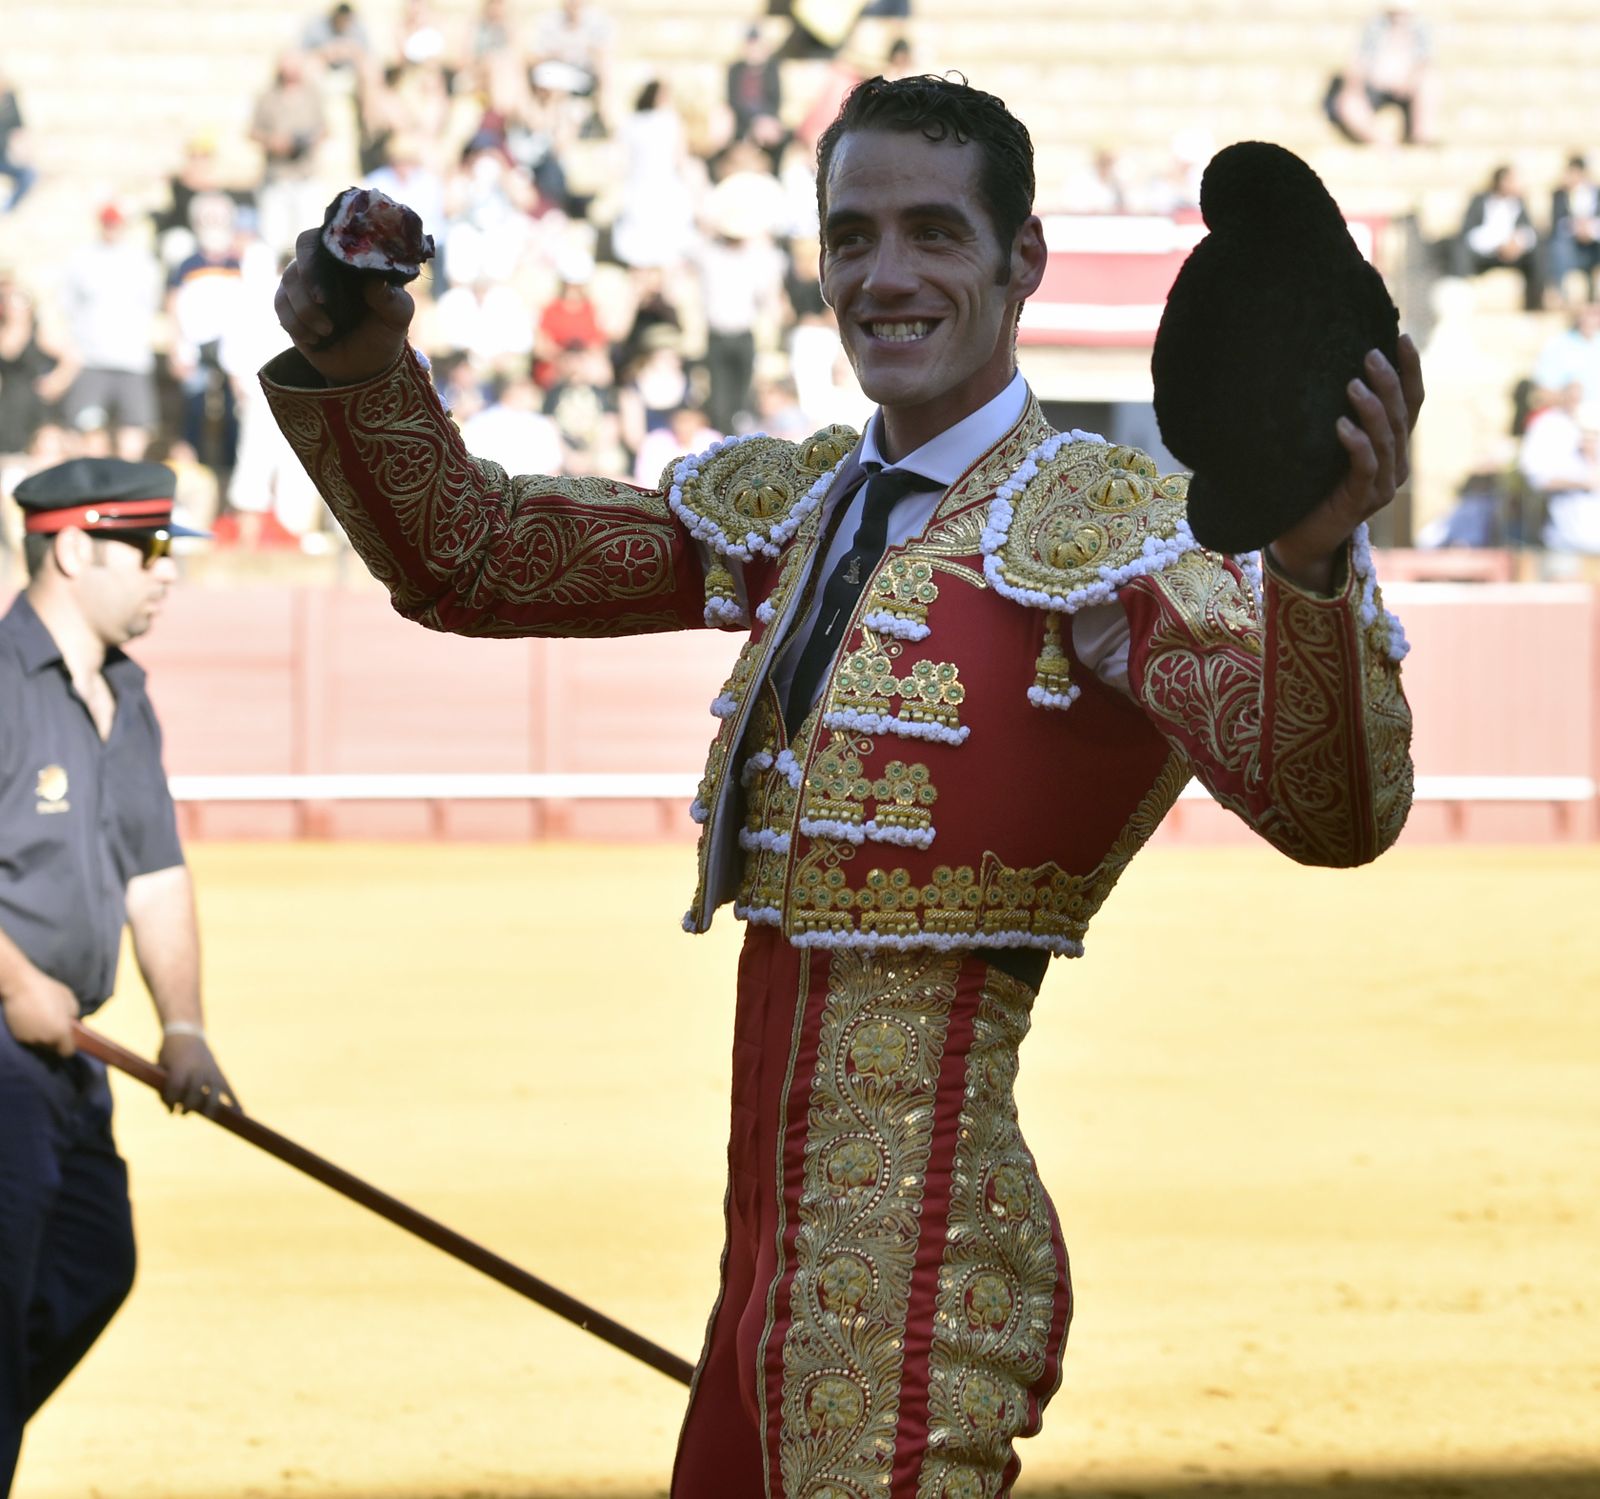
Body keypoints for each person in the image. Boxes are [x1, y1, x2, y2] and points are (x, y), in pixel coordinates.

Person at [264, 74, 1419, 1497]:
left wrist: (1307, 564)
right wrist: (365, 358)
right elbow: (476, 556)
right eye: (852, 235)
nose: (887, 274)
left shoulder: (1110, 531)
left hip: (917, 1254)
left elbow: (1327, 808)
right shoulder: (801, 505)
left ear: (1023, 263)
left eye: (935, 233)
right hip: (768, 1251)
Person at [0, 457, 235, 1493]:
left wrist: (182, 1026)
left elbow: (154, 869)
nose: (164, 572)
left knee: (92, 1261)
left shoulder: (125, 694)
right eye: (143, 550)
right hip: (4, 1042)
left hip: (67, 1056)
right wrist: (12, 982)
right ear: (69, 548)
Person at [1325, 0, 1436, 146]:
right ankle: (1381, 141)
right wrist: (1355, 88)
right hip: (1373, 85)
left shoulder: (1420, 28)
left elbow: (1425, 62)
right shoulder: (1374, 28)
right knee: (1348, 102)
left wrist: (1410, 80)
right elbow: (1357, 63)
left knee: (1430, 82)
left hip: (1407, 86)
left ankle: (1421, 138)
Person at [1451, 163, 1543, 312]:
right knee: (1460, 250)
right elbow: (1468, 233)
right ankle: (1463, 299)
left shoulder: (1519, 202)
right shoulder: (1479, 201)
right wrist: (1498, 243)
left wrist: (1517, 243)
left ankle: (1535, 304)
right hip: (1485, 254)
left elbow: (1529, 231)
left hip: (1514, 254)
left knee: (1539, 251)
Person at [1547, 154, 1600, 309]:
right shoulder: (1560, 194)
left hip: (1594, 243)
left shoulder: (1596, 193)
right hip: (1570, 245)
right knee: (1557, 245)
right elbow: (1556, 223)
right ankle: (1559, 293)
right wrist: (1576, 227)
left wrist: (1590, 229)